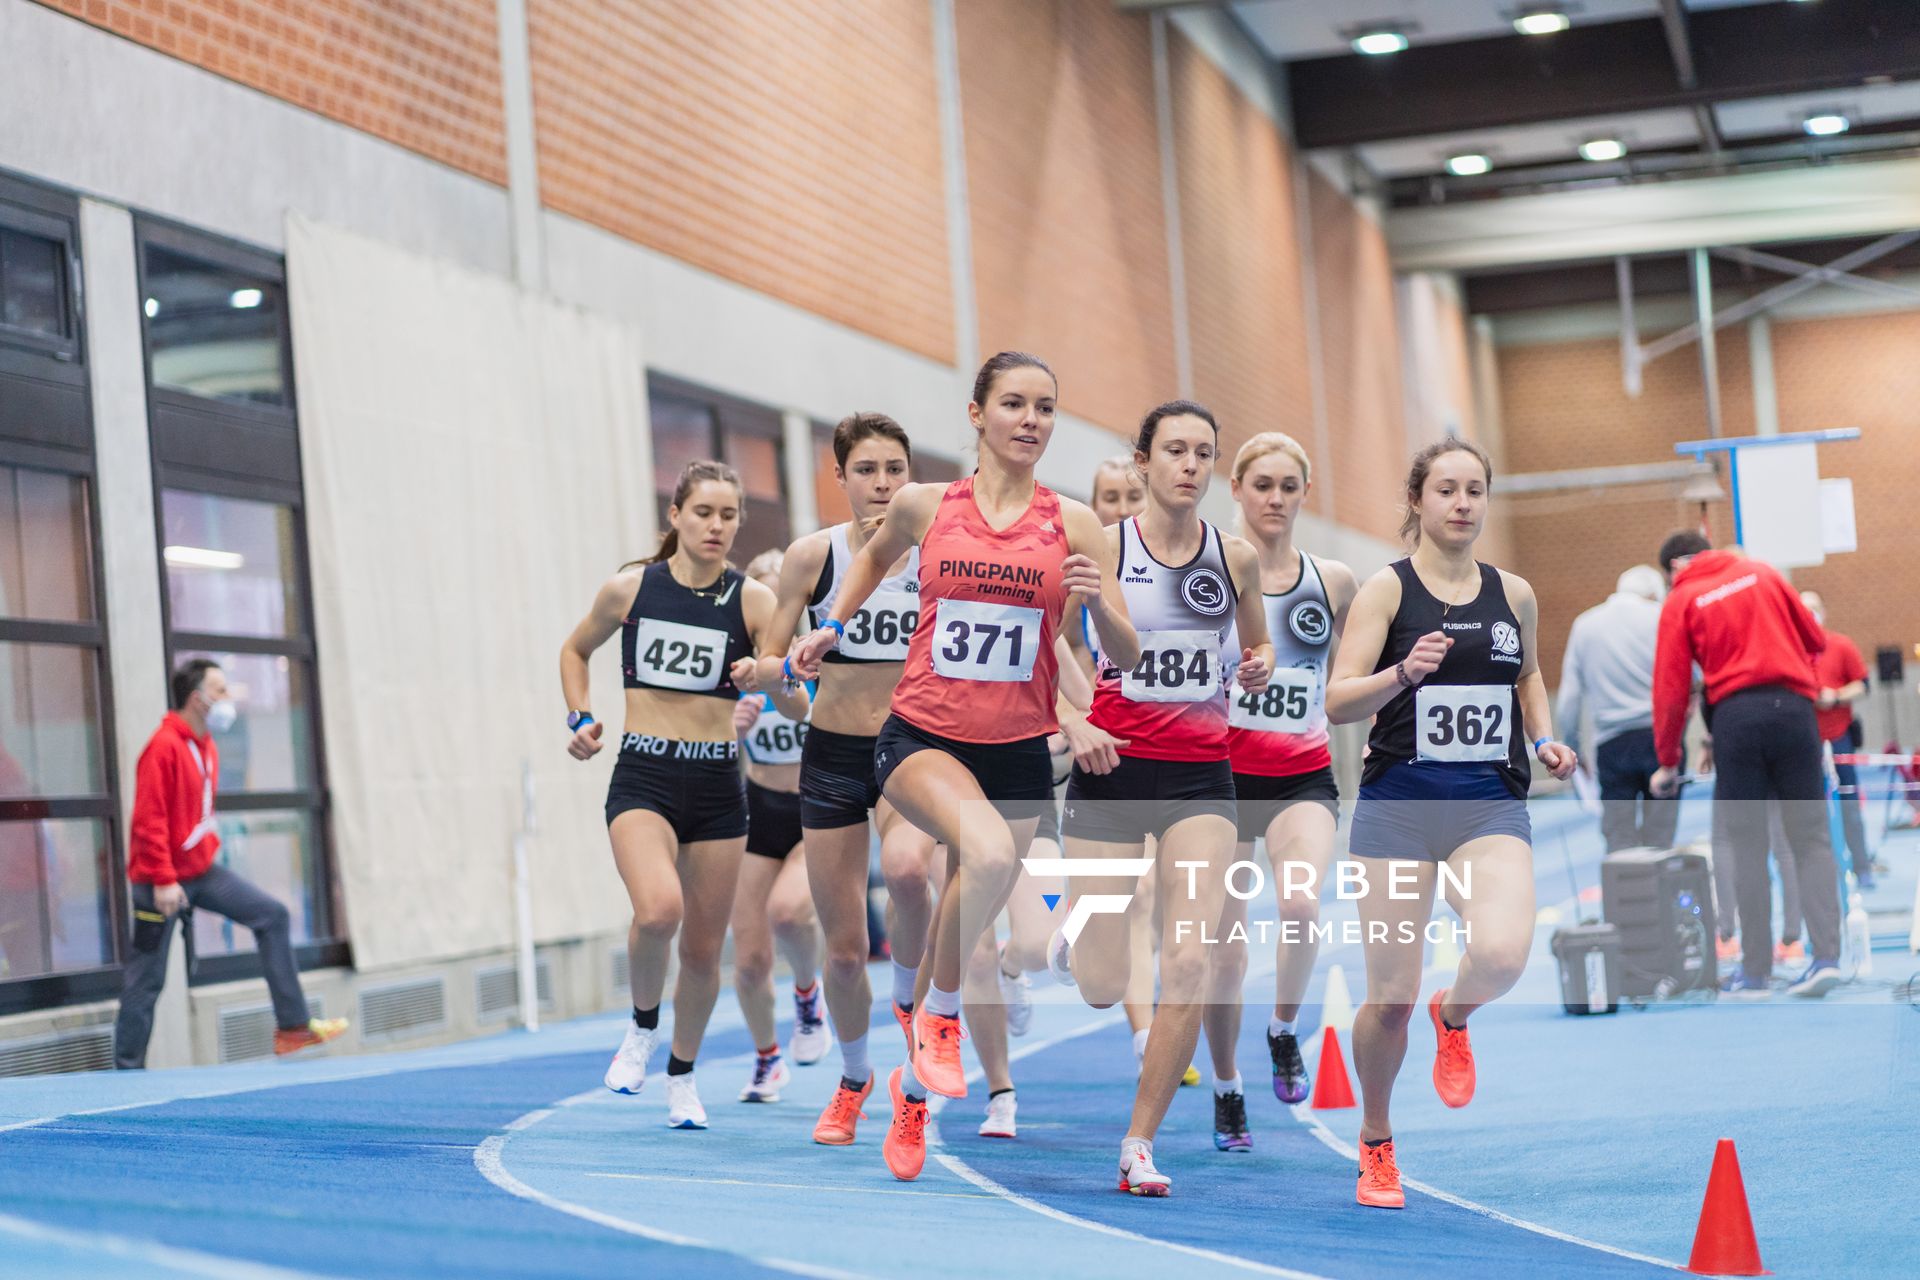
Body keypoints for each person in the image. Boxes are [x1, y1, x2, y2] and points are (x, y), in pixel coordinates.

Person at [789, 351, 1138, 1182]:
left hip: (1016, 752)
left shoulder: (1076, 523)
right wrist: (834, 623)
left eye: (1045, 407)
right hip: (919, 738)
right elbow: (872, 560)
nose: (1031, 420)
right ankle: (939, 1016)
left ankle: (914, 1092)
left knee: (969, 899)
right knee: (975, 859)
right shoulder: (924, 506)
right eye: (1014, 403)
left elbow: (1126, 650)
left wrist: (1093, 601)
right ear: (977, 414)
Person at [1325, 438, 1577, 1210]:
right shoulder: (1386, 592)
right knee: (1389, 998)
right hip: (1399, 807)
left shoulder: (1516, 594)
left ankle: (1457, 1010)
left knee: (1501, 953)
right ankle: (1376, 1141)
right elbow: (1337, 701)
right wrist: (1402, 673)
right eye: (1446, 490)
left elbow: (1528, 673)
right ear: (1418, 502)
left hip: (1487, 804)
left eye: (1475, 490)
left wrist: (1543, 737)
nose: (1462, 503)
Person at [1047, 399, 1275, 1196]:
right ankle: (1083, 937)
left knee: (1189, 958)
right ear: (1140, 462)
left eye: (1203, 452)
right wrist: (1074, 720)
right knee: (1105, 982)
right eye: (1174, 450)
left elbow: (1257, 644)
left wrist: (1258, 666)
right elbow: (1047, 653)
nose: (1189, 465)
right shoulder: (1098, 547)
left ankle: (1139, 1143)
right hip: (1112, 772)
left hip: (1201, 775)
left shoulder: (1234, 558)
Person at [562, 460, 806, 1129]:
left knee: (703, 951)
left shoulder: (753, 602)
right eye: (704, 512)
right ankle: (641, 1027)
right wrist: (579, 718)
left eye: (729, 516)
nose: (717, 526)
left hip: (719, 788)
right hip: (643, 775)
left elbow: (801, 699)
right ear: (676, 516)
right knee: (659, 908)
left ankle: (681, 1076)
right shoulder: (632, 590)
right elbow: (574, 651)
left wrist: (771, 675)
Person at [759, 412, 939, 1148]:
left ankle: (911, 1021)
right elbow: (768, 665)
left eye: (895, 469)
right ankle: (856, 1077)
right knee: (838, 949)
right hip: (830, 755)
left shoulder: (934, 556)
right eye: (867, 470)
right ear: (840, 478)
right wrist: (788, 673)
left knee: (905, 872)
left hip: (910, 747)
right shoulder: (812, 557)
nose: (883, 483)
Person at [1201, 432, 1356, 1151]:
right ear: (1235, 489)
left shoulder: (1334, 582)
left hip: (1301, 773)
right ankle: (1228, 1086)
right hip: (1220, 778)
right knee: (1222, 950)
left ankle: (1283, 1028)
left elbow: (1353, 678)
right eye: (1261, 484)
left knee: (1300, 903)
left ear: (1303, 493)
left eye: (1287, 486)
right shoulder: (1206, 574)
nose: (1274, 499)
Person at [114, 660, 348, 1069]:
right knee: (147, 978)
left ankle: (292, 1027)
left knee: (271, 915)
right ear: (196, 699)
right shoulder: (163, 746)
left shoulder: (205, 745)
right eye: (219, 690)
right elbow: (148, 822)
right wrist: (165, 881)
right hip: (159, 880)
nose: (227, 698)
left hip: (200, 873)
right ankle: (126, 1068)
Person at [1649, 531, 1841, 1000]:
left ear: (1674, 568)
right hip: (1795, 712)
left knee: (1748, 847)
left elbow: (1671, 688)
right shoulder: (1762, 572)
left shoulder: (1682, 599)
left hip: (1736, 720)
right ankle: (1827, 959)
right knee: (1811, 839)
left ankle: (1755, 973)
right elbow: (1815, 638)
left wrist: (1667, 760)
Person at [728, 549, 827, 1104]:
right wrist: (732, 730)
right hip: (757, 806)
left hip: (814, 806)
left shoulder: (817, 660)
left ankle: (808, 996)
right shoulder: (741, 672)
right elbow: (709, 750)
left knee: (788, 911)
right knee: (748, 960)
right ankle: (768, 1060)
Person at [1557, 565, 1678, 853]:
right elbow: (1691, 678)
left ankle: (1624, 894)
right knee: (1659, 838)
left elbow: (1569, 699)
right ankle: (1660, 894)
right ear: (1653, 593)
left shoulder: (1585, 625)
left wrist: (1572, 747)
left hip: (1612, 745)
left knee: (1619, 839)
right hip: (1660, 741)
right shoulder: (1661, 617)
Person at [1801, 590, 1874, 888]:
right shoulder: (1790, 651)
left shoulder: (1841, 645)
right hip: (1805, 741)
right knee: (1812, 808)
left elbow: (1863, 684)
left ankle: (1861, 865)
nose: (1811, 615)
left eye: (1815, 609)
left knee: (1849, 804)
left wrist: (1837, 696)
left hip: (1839, 736)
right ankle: (1820, 871)